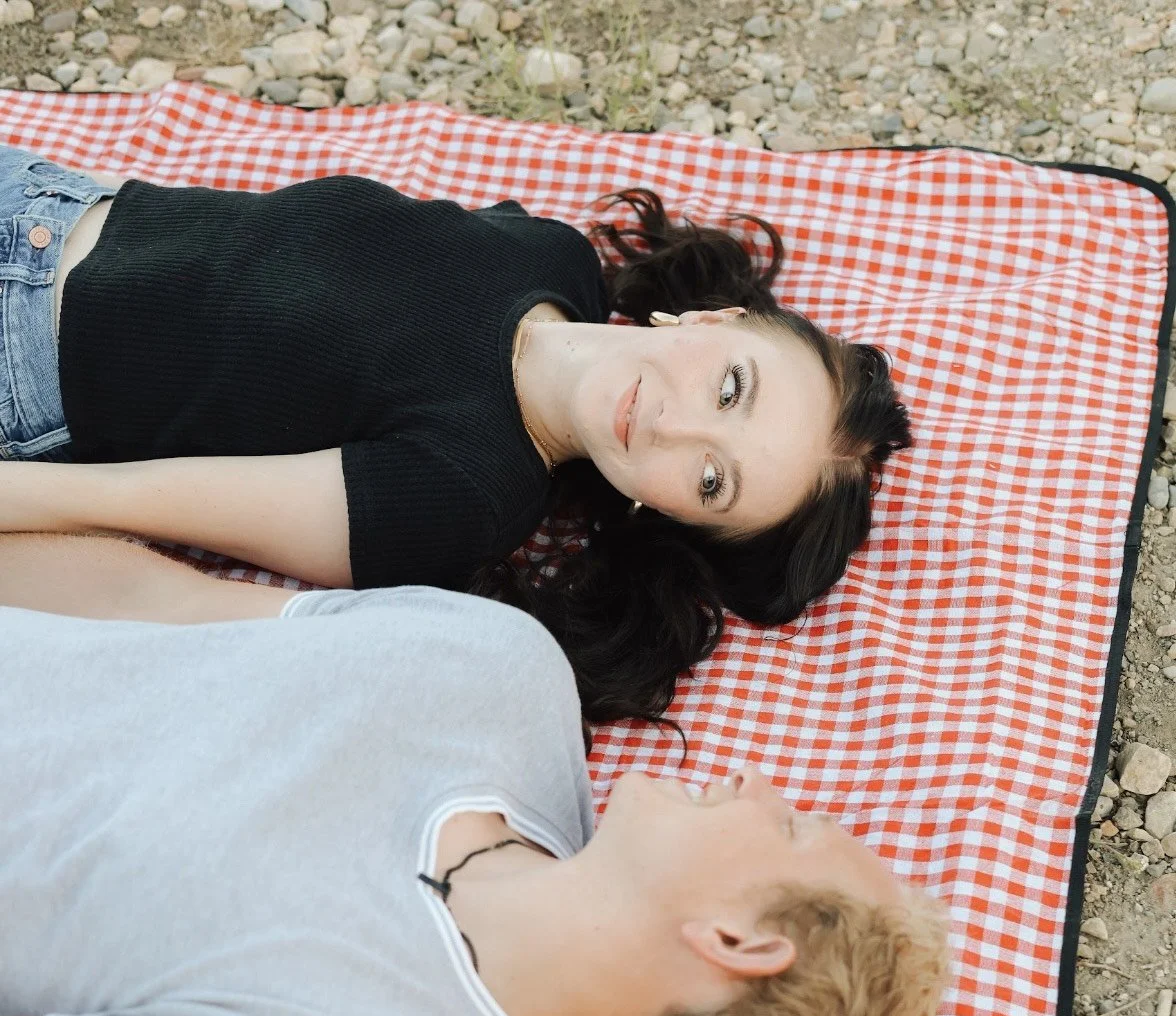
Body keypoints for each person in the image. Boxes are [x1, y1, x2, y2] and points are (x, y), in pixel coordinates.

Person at [0, 533, 948, 1016]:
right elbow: (148, 604)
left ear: (739, 942)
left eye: (787, 826)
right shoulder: (504, 675)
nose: (754, 782)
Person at [0, 146, 912, 723]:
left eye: (712, 481)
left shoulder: (463, 494)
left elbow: (131, 497)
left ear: (666, 513)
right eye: (730, 388)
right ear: (714, 318)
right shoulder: (548, 251)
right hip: (49, 197)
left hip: (21, 366)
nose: (676, 426)